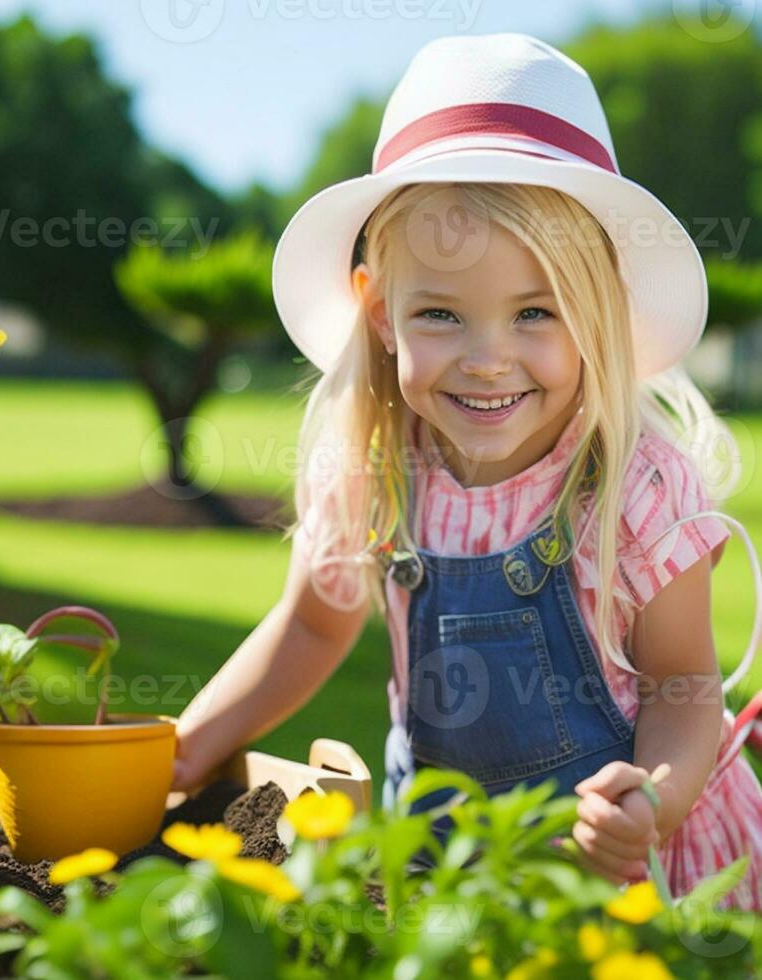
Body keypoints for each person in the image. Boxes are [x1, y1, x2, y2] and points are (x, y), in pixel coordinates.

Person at [171, 32, 761, 909]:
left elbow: (685, 687)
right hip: (448, 872)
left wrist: (653, 801)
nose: (489, 360)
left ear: (598, 310)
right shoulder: (375, 469)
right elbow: (308, 629)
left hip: (631, 877)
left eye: (535, 313)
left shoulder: (634, 490)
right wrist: (181, 751)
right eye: (442, 313)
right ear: (378, 312)